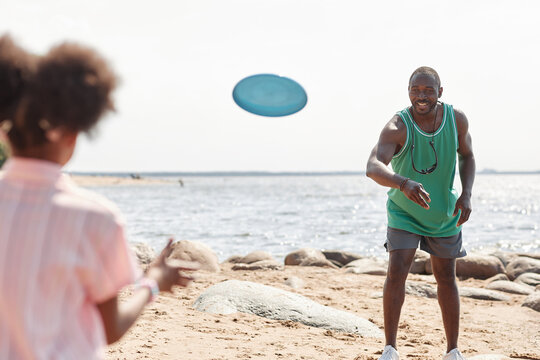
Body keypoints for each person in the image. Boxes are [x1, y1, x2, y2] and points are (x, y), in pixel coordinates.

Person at [0, 35, 199, 359]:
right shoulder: (94, 218)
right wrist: (152, 282)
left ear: (4, 131)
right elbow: (111, 329)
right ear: (70, 133)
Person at [366, 66, 475, 360]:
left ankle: (452, 350)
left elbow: (467, 156)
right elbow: (373, 166)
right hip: (404, 212)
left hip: (443, 212)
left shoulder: (456, 119)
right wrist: (403, 183)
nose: (421, 96)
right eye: (415, 90)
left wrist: (466, 193)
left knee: (445, 277)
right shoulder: (398, 124)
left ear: (440, 92)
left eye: (428, 90)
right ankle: (390, 348)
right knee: (397, 269)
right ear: (408, 92)